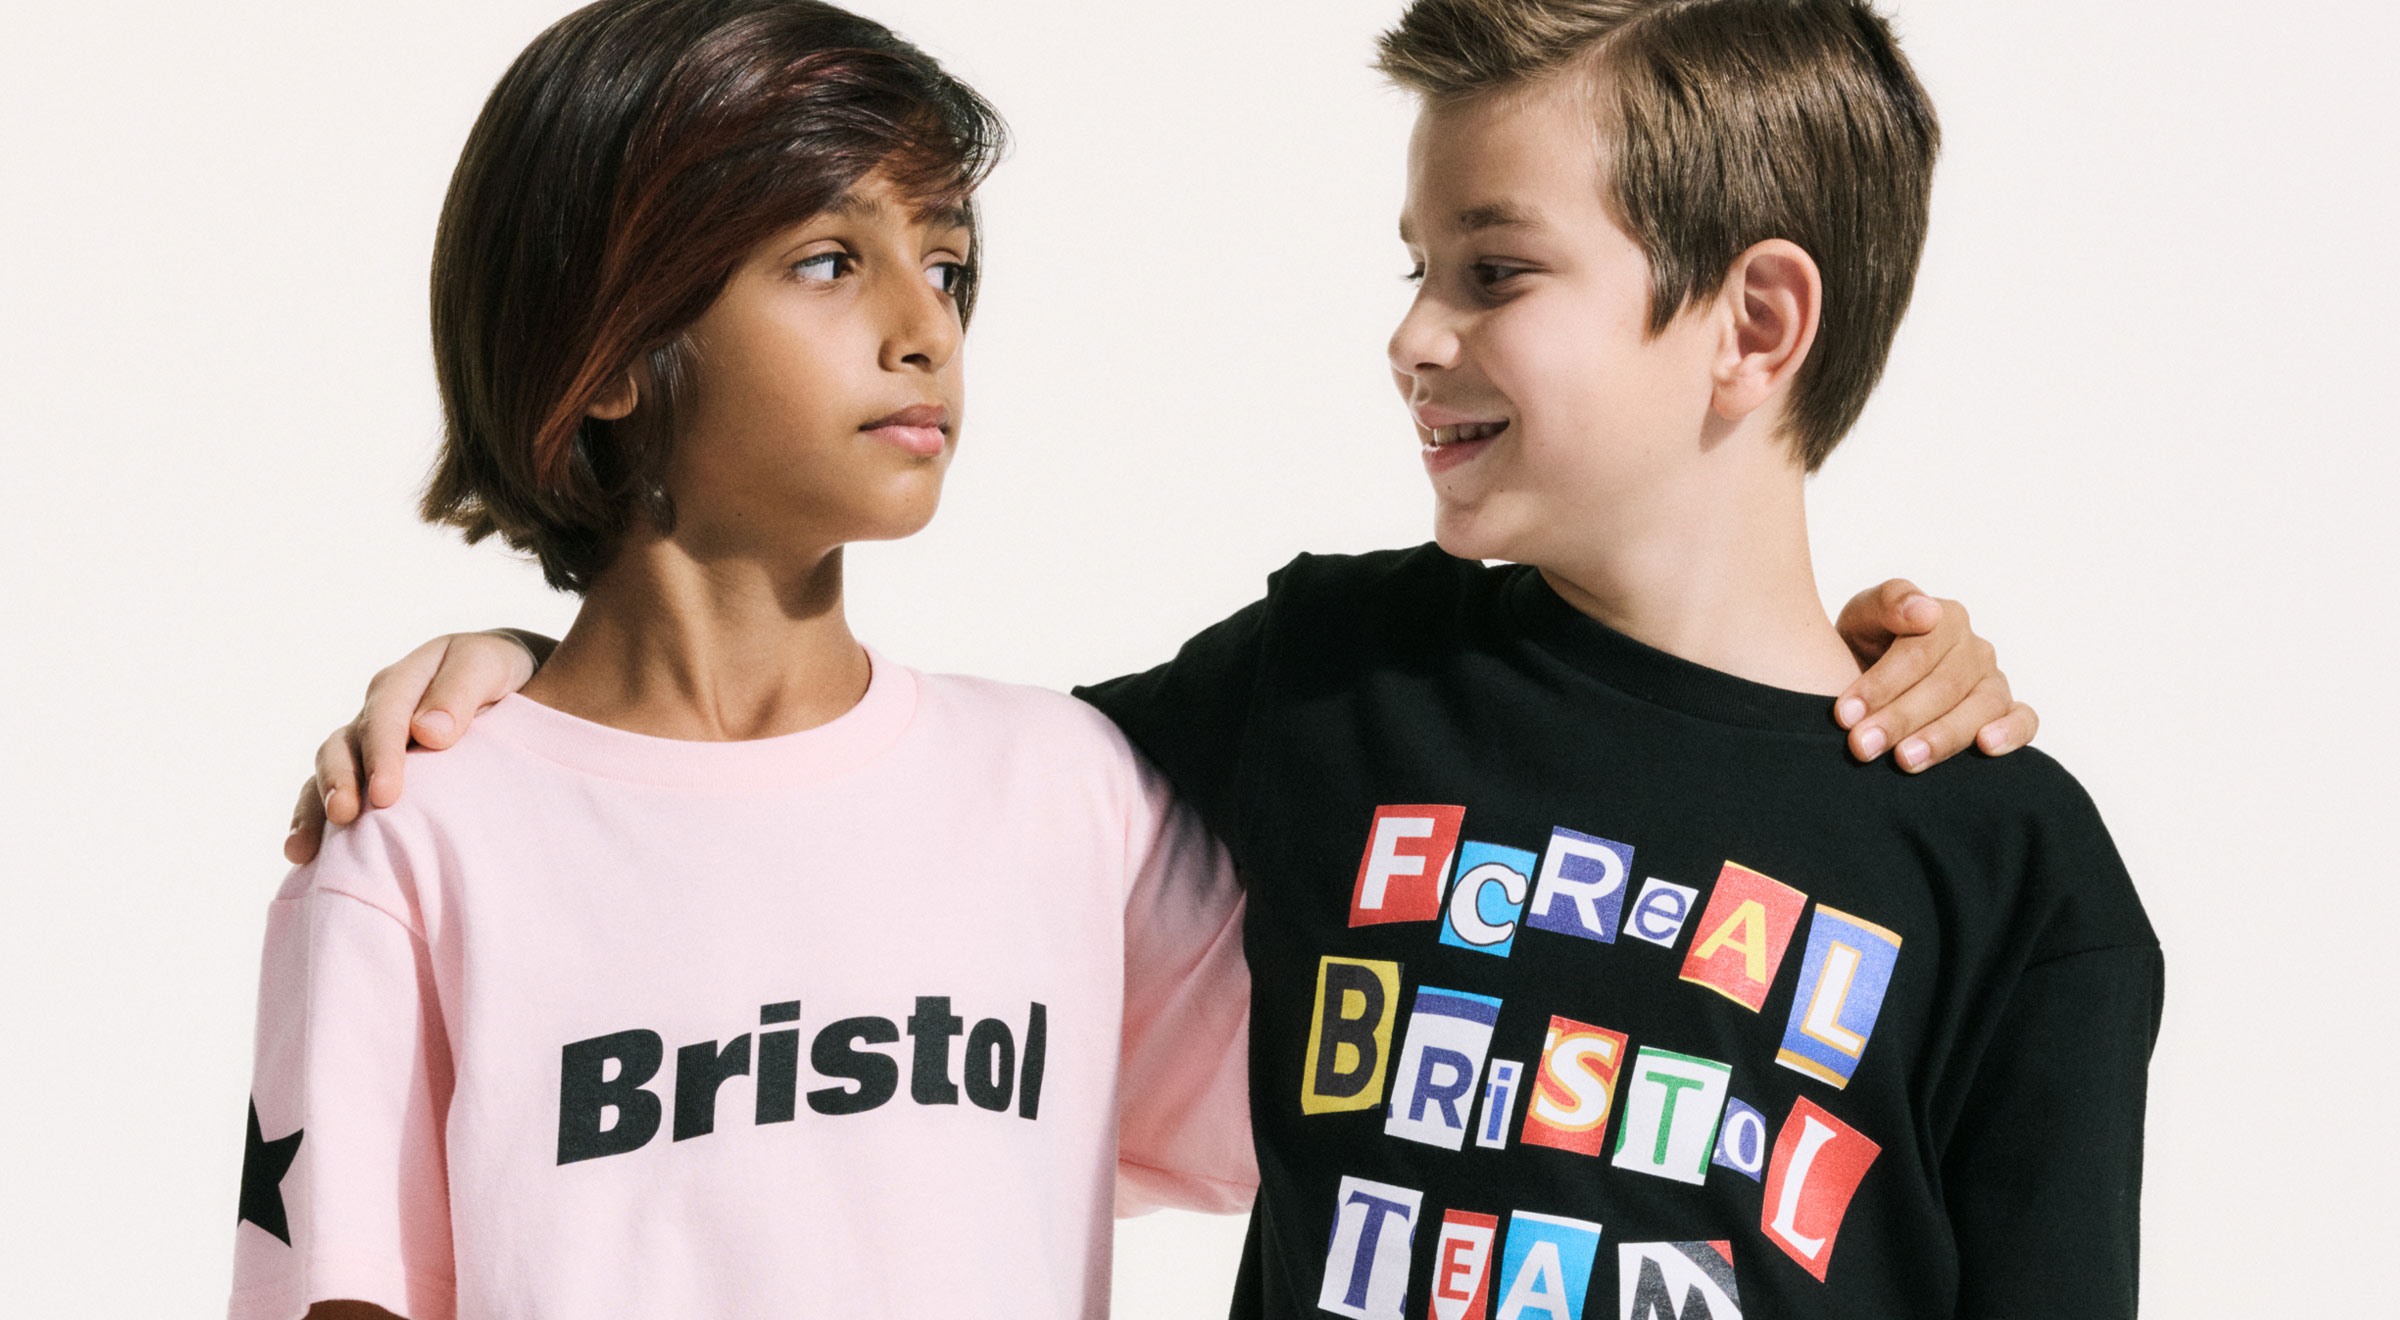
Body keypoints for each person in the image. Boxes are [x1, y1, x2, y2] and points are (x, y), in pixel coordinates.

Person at [277, 2, 2066, 1318]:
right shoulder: (1323, 688)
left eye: (1495, 271)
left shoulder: (2003, 862)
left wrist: (1879, 713)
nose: (1410, 333)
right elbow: (791, 813)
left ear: (1758, 322)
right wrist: (535, 686)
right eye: (829, 259)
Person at [229, 4, 1253, 1319]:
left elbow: (1386, 1118)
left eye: (945, 265)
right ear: (606, 351)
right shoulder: (421, 839)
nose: (927, 328)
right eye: (829, 261)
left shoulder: (1067, 793)